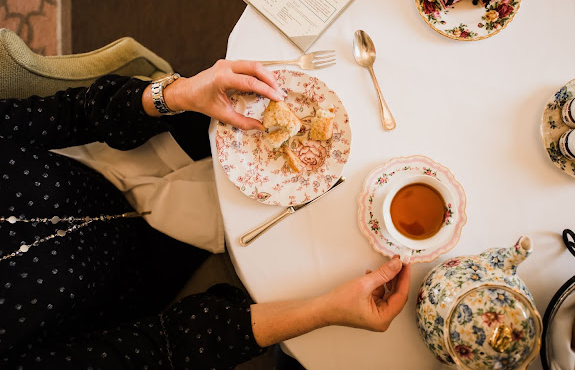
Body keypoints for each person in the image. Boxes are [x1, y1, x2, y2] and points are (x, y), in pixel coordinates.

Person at [0, 60, 411, 369]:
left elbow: (75, 113)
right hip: (153, 262)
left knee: (293, 87)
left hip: (113, 153)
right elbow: (162, 350)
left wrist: (175, 95)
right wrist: (324, 311)